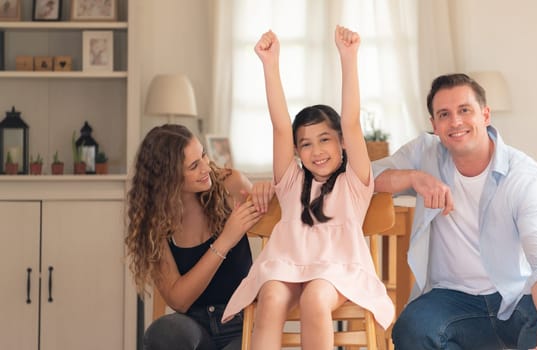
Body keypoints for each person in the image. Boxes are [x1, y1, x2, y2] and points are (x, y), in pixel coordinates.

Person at [372, 73, 537, 349]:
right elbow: (363, 179)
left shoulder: (526, 178)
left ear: (485, 114)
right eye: (444, 114)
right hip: (450, 301)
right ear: (434, 125)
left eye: (465, 110)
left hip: (515, 298)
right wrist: (413, 178)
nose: (455, 121)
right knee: (414, 328)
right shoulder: (424, 154)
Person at [222, 26, 394, 349]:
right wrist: (270, 65)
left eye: (325, 140)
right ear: (298, 152)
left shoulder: (354, 184)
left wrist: (348, 58)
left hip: (338, 270)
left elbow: (353, 122)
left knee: (315, 296)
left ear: (342, 143)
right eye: (306, 144)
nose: (316, 151)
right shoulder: (291, 183)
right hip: (288, 264)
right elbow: (279, 126)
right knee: (271, 295)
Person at [125, 124, 274, 350]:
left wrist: (266, 190)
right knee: (162, 333)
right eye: (194, 166)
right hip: (193, 326)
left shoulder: (229, 185)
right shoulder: (154, 222)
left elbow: (280, 220)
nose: (206, 167)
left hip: (241, 322)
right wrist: (226, 240)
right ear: (169, 178)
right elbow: (179, 300)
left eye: (203, 154)